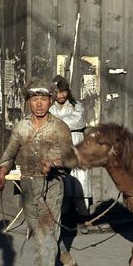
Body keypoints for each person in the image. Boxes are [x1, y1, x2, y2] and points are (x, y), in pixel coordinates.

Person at [0, 77, 80, 266]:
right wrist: (2, 171)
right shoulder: (22, 127)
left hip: (52, 185)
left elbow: (71, 159)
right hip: (28, 185)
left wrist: (54, 164)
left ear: (51, 101)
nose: (39, 103)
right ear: (28, 102)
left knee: (46, 229)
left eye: (43, 98)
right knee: (38, 229)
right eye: (34, 99)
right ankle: (68, 263)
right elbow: (10, 152)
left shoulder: (59, 127)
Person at [49, 75, 93, 215]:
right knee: (63, 179)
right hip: (58, 146)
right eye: (57, 92)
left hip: (76, 143)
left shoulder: (76, 105)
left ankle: (83, 215)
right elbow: (49, 123)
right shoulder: (50, 107)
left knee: (80, 178)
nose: (61, 95)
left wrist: (58, 122)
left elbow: (79, 121)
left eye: (63, 91)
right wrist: (63, 121)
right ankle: (64, 214)